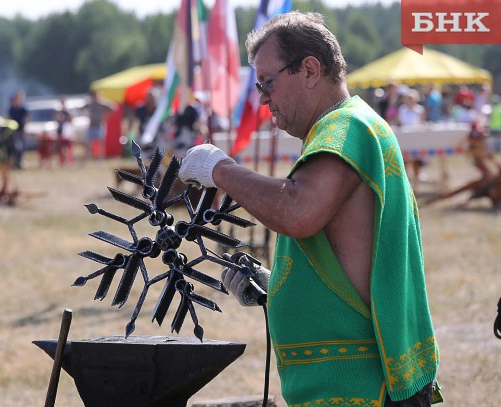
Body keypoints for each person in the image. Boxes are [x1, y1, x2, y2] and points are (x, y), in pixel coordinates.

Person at [178, 11, 440, 406]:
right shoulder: (346, 130)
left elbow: (298, 211)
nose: (263, 97)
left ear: (310, 69)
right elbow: (346, 253)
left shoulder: (347, 128)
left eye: (268, 82)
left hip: (365, 390)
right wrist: (279, 287)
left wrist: (221, 169)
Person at [83, 90, 114, 160]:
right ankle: (87, 158)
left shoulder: (102, 104)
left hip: (99, 126)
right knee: (88, 143)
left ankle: (100, 158)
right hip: (91, 126)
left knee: (101, 144)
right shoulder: (90, 104)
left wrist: (106, 116)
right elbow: (81, 108)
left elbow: (113, 108)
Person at [7, 90, 29, 169]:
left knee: (20, 147)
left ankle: (19, 162)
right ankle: (14, 163)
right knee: (14, 147)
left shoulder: (23, 109)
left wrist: (25, 130)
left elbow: (26, 120)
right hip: (13, 131)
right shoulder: (12, 109)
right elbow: (9, 119)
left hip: (20, 130)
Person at [55, 96, 75, 166]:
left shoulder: (68, 112)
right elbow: (56, 119)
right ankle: (62, 160)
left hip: (66, 132)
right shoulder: (59, 112)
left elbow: (71, 120)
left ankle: (67, 160)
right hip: (60, 131)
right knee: (61, 147)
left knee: (66, 147)